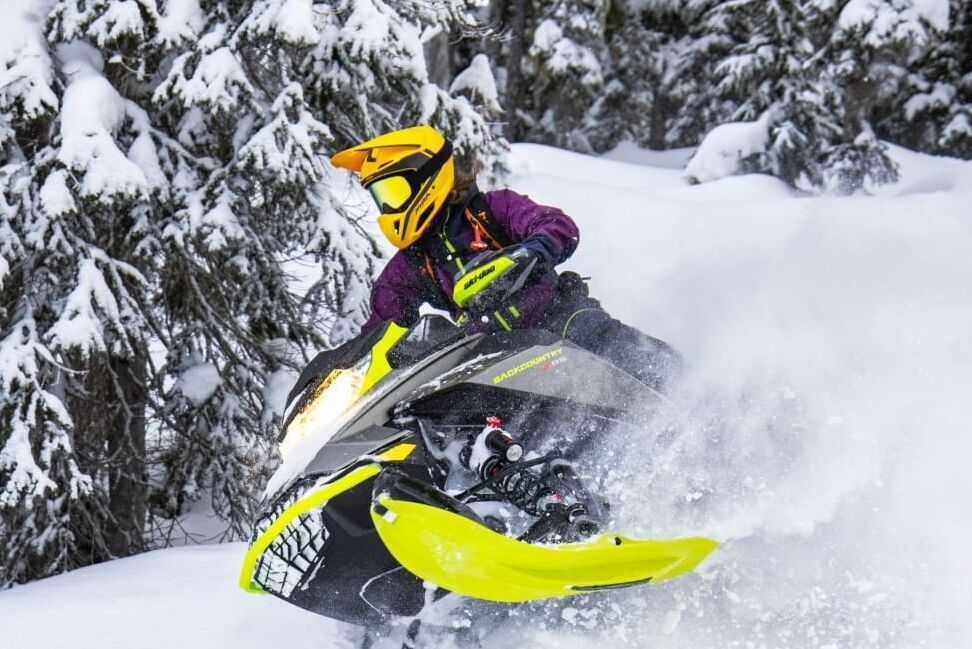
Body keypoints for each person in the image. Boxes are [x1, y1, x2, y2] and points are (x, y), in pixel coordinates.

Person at [329, 125, 682, 392]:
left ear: (427, 179)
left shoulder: (492, 210)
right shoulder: (413, 262)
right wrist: (348, 373)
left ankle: (695, 393)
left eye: (393, 193)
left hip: (556, 319)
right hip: (494, 354)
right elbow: (380, 325)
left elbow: (557, 225)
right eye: (382, 199)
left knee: (605, 340)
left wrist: (532, 252)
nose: (389, 207)